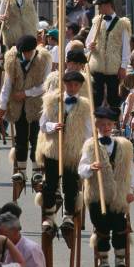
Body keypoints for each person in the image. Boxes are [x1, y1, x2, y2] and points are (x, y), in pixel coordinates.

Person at [78, 106, 134, 267]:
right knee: (102, 228)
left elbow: (130, 170)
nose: (106, 128)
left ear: (113, 125)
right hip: (98, 195)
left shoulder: (124, 146)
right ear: (97, 126)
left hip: (118, 195)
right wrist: (91, 167)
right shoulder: (91, 146)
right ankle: (103, 259)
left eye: (109, 124)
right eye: (102, 125)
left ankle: (120, 259)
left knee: (119, 227)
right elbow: (81, 169)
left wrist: (131, 190)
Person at [36, 70, 91, 234]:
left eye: (76, 85)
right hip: (53, 148)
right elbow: (42, 124)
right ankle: (49, 216)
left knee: (70, 183)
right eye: (69, 84)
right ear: (64, 85)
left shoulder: (85, 105)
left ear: (80, 86)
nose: (72, 88)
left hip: (73, 151)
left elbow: (88, 131)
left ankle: (68, 215)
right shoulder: (52, 101)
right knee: (50, 183)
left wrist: (88, 152)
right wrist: (54, 126)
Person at [0, 35, 52, 195]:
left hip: (36, 104)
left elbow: (46, 84)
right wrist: (2, 105)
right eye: (24, 53)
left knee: (35, 137)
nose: (26, 55)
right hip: (17, 105)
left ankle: (36, 170)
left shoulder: (44, 59)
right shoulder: (12, 59)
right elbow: (7, 85)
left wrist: (27, 93)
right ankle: (21, 170)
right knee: (21, 138)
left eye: (29, 52)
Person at [86, 0, 131, 111]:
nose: (99, 9)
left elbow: (126, 48)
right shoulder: (97, 22)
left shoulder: (122, 24)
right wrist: (90, 45)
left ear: (107, 5)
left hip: (113, 66)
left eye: (100, 6)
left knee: (113, 96)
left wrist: (123, 66)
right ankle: (95, 121)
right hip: (97, 64)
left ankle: (114, 122)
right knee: (96, 95)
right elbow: (88, 41)